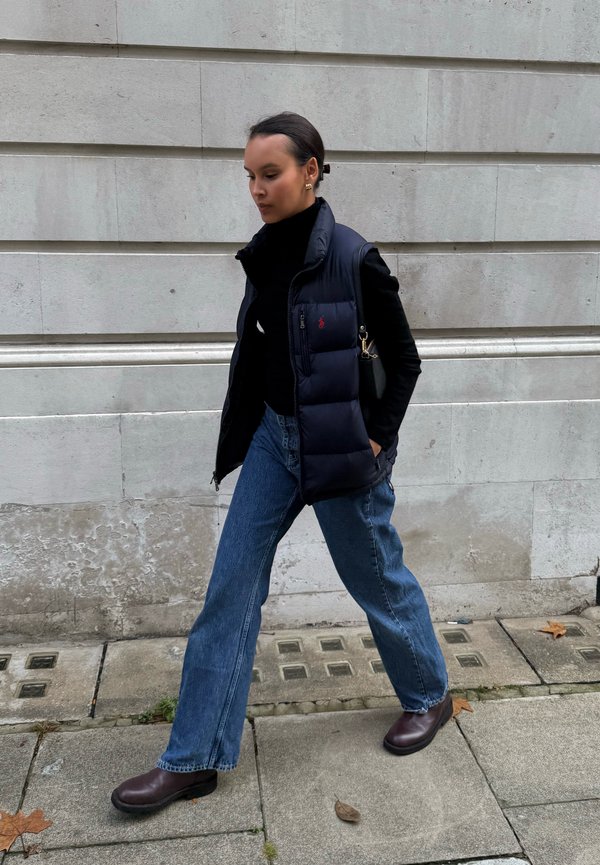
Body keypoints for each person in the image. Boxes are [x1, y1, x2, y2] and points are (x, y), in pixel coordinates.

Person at [111, 112, 451, 815]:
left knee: (377, 580)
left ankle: (430, 695)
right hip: (274, 438)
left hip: (340, 449)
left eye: (271, 173)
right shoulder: (263, 252)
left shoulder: (357, 260)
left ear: (311, 171)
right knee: (230, 588)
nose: (258, 188)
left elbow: (406, 361)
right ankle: (193, 758)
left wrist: (377, 441)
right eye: (250, 176)